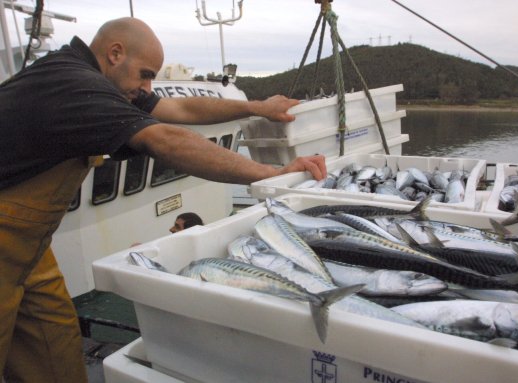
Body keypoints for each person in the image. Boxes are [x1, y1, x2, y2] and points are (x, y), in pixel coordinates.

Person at [0, 17, 326, 382]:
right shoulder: (76, 86)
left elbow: (181, 111)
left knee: (54, 343)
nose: (147, 87)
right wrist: (271, 174)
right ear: (115, 53)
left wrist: (256, 108)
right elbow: (165, 140)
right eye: (144, 74)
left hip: (30, 249)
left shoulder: (102, 82)